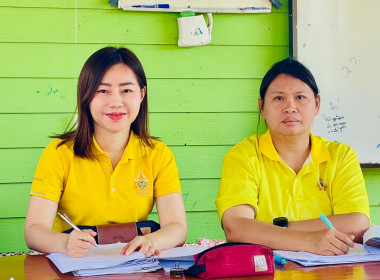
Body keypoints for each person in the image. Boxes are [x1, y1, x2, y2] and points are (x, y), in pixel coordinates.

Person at [25, 47, 187, 258]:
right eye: (103, 91)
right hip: (75, 263)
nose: (115, 102)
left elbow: (177, 227)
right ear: (86, 96)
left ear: (142, 94)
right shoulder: (58, 153)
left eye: (126, 90)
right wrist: (65, 242)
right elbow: (34, 231)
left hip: (133, 264)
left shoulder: (159, 154)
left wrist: (151, 241)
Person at [215, 58, 370, 256]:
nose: (290, 107)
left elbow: (357, 223)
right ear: (261, 107)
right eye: (279, 98)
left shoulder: (340, 156)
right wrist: (309, 240)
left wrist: (279, 230)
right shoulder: (243, 156)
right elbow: (236, 227)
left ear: (317, 104)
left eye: (300, 97)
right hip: (267, 271)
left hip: (332, 271)